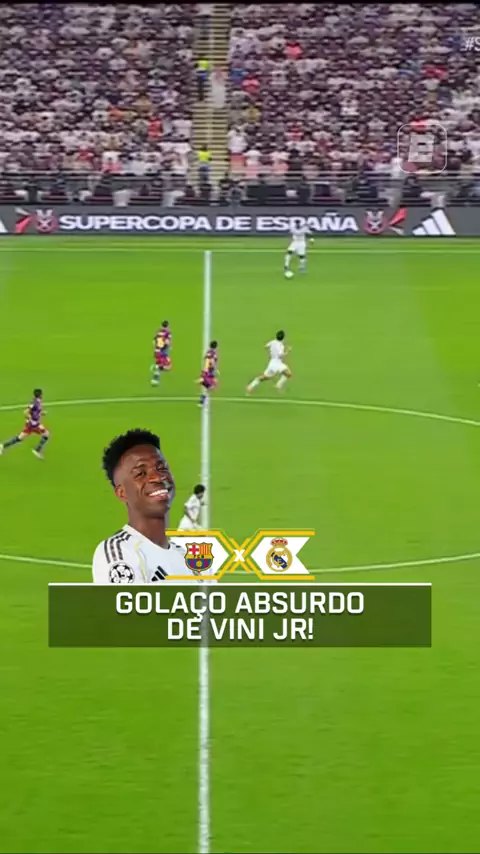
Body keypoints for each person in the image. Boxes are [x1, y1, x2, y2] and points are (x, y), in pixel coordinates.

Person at [92, 429, 204, 583]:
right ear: (122, 493)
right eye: (141, 474)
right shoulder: (119, 552)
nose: (157, 477)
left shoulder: (188, 561)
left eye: (162, 468)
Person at [0, 388, 50, 459]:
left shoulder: (38, 402)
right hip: (34, 425)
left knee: (20, 438)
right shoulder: (35, 403)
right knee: (46, 434)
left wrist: (41, 413)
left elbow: (35, 412)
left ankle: (2, 446)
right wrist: (31, 420)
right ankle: (37, 450)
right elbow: (26, 412)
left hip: (32, 425)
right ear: (40, 395)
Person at [197, 340, 218, 407]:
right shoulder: (213, 354)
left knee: (210, 386)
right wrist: (214, 369)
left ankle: (202, 399)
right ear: (216, 347)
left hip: (207, 372)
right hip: (209, 373)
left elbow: (206, 361)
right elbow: (210, 362)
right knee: (211, 386)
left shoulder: (208, 352)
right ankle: (202, 400)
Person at [151, 320, 172, 386]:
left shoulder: (158, 332)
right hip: (163, 352)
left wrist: (157, 348)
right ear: (168, 326)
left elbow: (153, 342)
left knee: (158, 365)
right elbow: (167, 342)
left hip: (157, 351)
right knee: (168, 366)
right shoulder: (168, 332)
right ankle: (156, 367)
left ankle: (154, 381)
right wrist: (169, 346)